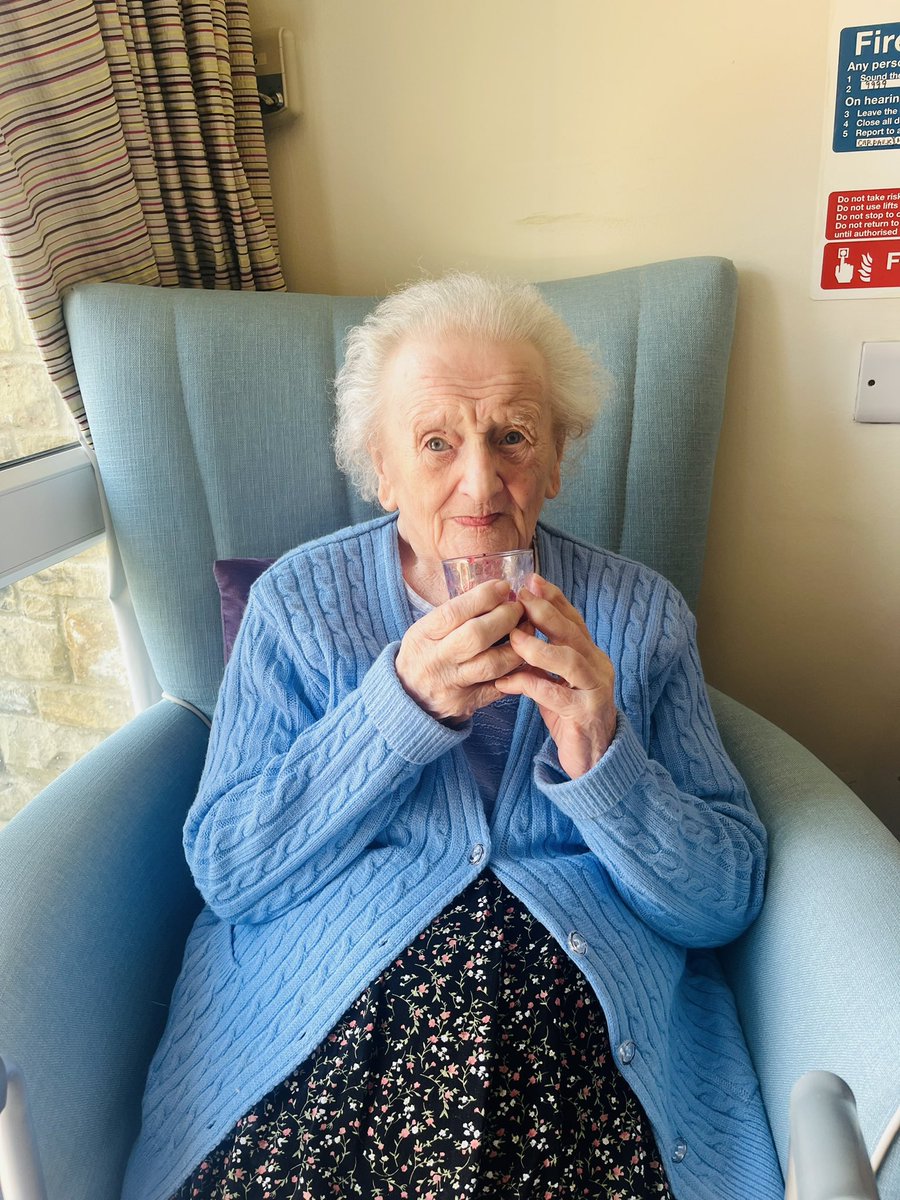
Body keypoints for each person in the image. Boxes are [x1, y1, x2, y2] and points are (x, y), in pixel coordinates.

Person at [122, 273, 783, 1200]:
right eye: (436, 442)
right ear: (380, 469)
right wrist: (395, 710)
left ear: (555, 461)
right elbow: (230, 868)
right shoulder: (297, 607)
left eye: (513, 435)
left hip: (572, 1022)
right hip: (334, 1017)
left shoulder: (640, 615)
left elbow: (723, 900)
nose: (481, 482)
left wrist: (603, 755)